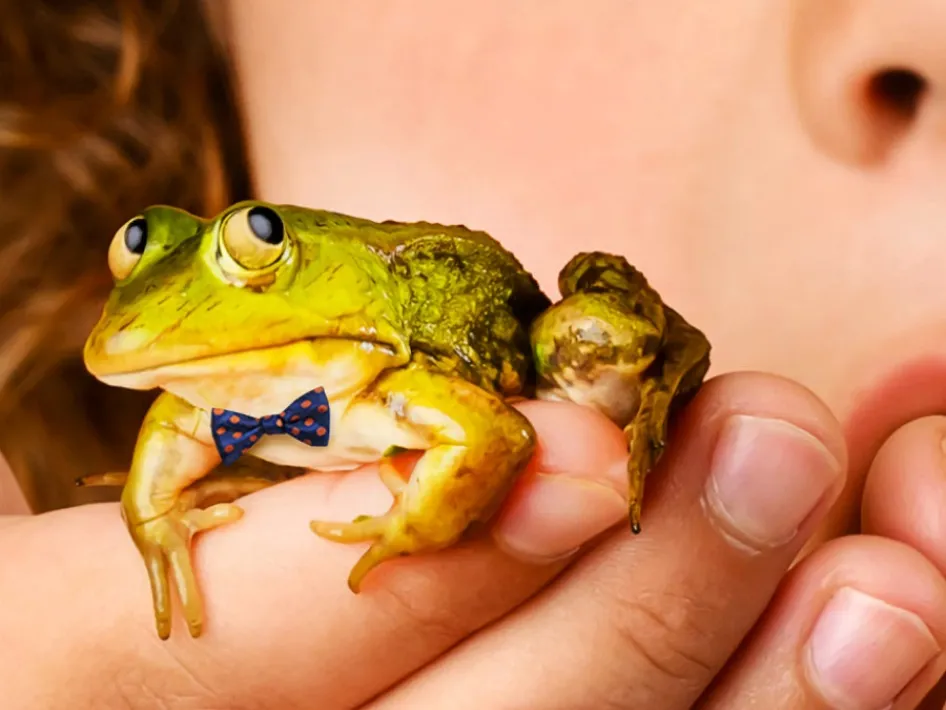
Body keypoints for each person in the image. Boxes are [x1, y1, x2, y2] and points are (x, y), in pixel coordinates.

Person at [3, 1, 946, 708]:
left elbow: (491, 436)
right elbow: (174, 439)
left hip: (492, 337)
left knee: (586, 342)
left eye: (253, 251)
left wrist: (409, 530)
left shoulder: (402, 378)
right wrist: (156, 516)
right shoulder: (226, 400)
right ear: (200, 36)